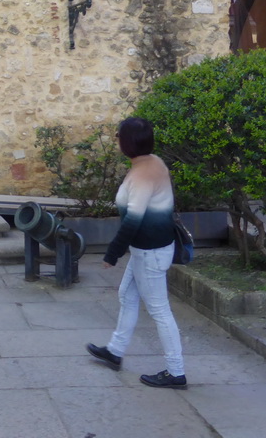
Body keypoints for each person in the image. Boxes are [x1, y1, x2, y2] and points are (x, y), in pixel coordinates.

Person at [86, 116, 187, 389]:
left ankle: (176, 372)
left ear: (128, 141)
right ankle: (115, 351)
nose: (116, 139)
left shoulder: (143, 173)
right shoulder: (151, 162)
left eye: (118, 135)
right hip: (147, 249)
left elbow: (134, 219)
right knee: (127, 295)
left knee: (159, 310)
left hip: (150, 252)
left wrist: (112, 254)